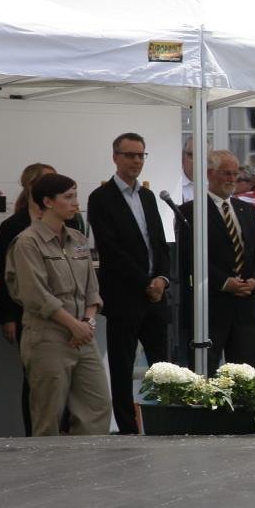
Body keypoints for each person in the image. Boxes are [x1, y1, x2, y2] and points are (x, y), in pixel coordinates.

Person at [5, 173, 111, 437]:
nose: (76, 203)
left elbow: (92, 289)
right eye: (68, 197)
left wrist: (87, 322)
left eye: (76, 196)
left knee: (97, 406)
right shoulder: (27, 242)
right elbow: (35, 295)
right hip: (48, 338)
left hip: (83, 337)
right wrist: (74, 326)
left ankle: (86, 462)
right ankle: (48, 465)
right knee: (48, 417)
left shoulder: (78, 239)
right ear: (48, 202)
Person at [87, 133, 172, 435]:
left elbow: (159, 243)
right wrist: (144, 282)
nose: (136, 161)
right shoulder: (101, 198)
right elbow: (111, 250)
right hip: (125, 296)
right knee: (122, 368)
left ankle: (165, 421)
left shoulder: (148, 196)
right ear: (115, 158)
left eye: (141, 155)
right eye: (130, 155)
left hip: (155, 295)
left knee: (163, 367)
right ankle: (127, 430)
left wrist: (161, 279)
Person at [178, 149, 255, 369]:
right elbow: (190, 256)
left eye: (235, 174)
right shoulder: (191, 211)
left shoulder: (246, 210)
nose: (232, 179)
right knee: (205, 374)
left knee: (246, 376)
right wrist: (224, 282)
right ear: (210, 174)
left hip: (246, 308)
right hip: (211, 308)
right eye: (226, 173)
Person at [0, 162, 56, 434]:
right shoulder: (12, 226)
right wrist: (7, 317)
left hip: (61, 314)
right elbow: (5, 275)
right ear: (32, 187)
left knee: (60, 379)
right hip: (26, 314)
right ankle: (34, 435)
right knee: (34, 379)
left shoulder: (64, 223)